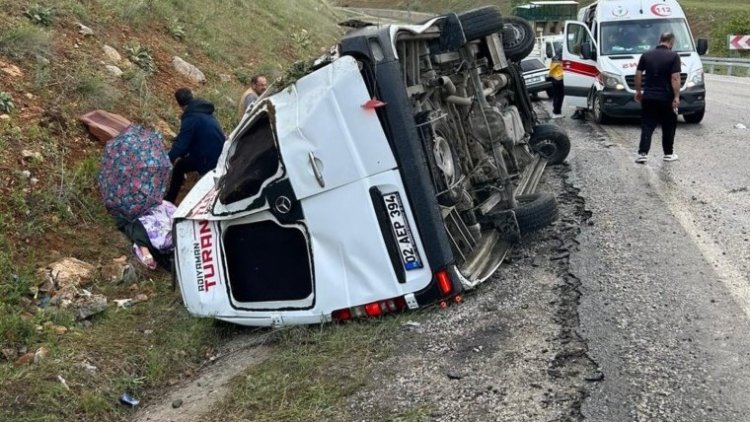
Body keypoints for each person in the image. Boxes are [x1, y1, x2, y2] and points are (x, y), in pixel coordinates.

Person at [165, 88, 226, 203]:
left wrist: (167, 159)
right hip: (220, 153)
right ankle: (179, 187)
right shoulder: (202, 110)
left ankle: (170, 199)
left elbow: (182, 146)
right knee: (183, 161)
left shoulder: (191, 118)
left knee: (179, 166)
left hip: (208, 159)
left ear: (179, 104)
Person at [634, 32, 681, 163]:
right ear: (671, 42)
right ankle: (668, 153)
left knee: (647, 125)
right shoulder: (673, 56)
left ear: (660, 40)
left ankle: (642, 153)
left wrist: (638, 91)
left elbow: (638, 74)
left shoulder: (646, 55)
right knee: (668, 125)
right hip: (666, 97)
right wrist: (676, 96)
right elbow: (675, 77)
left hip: (649, 96)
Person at [548, 46, 564, 118]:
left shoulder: (554, 58)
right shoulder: (561, 58)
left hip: (554, 79)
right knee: (560, 96)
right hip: (560, 79)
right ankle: (557, 112)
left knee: (555, 96)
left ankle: (556, 112)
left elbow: (551, 69)